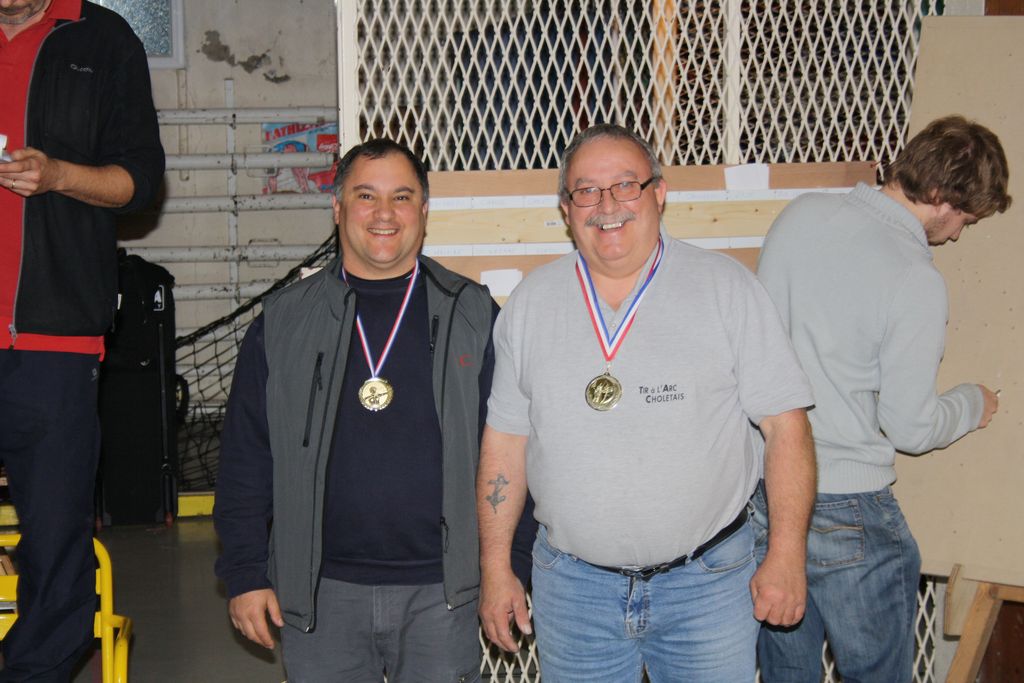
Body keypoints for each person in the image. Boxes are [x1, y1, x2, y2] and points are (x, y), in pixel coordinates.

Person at [476, 124, 816, 682]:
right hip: (574, 591)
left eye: (625, 185)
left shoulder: (726, 289)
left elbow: (787, 427)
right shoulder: (530, 306)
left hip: (707, 587)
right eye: (587, 190)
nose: (607, 205)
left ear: (659, 193)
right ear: (566, 208)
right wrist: (495, 566)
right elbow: (505, 442)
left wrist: (786, 555)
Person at [214, 138, 535, 682]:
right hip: (320, 592)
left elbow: (514, 450)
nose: (384, 213)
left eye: (401, 197)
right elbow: (247, 458)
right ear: (337, 208)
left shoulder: (474, 315)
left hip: (443, 590)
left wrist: (510, 565)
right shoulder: (283, 323)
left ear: (424, 211)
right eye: (366, 196)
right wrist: (245, 572)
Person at [754, 115, 1010, 683]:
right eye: (963, 216)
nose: (958, 233)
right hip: (849, 505)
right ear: (939, 194)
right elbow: (912, 428)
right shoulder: (914, 277)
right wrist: (972, 403)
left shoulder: (801, 215)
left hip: (768, 492)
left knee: (786, 674)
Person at [0, 0, 164, 678]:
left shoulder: (103, 39)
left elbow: (140, 181)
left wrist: (57, 175)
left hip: (55, 339)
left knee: (57, 544)